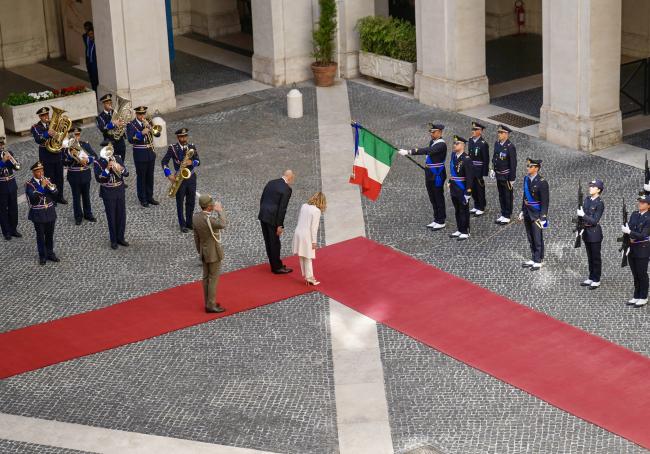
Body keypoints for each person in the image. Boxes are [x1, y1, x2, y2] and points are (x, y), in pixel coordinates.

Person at [398, 123, 447, 230]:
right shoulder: (432, 142)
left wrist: (409, 152)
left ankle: (441, 220)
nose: (431, 134)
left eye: (433, 132)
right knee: (432, 197)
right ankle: (436, 219)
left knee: (438, 197)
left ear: (439, 132)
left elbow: (427, 151)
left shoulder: (441, 145)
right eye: (431, 132)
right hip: (429, 173)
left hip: (437, 174)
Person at [192, 194, 227, 313]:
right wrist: (220, 211)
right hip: (213, 253)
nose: (213, 204)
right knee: (213, 279)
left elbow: (196, 237)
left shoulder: (196, 217)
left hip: (204, 251)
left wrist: (200, 251)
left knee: (206, 278)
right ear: (208, 207)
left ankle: (208, 301)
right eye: (211, 203)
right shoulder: (209, 220)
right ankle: (211, 305)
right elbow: (222, 224)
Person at [162, 128, 200, 233]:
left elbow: (198, 161)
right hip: (180, 178)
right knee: (180, 202)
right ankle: (182, 224)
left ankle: (189, 222)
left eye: (185, 136)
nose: (184, 138)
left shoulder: (191, 147)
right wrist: (169, 175)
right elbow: (164, 162)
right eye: (181, 137)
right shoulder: (173, 148)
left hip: (191, 177)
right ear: (178, 137)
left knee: (191, 201)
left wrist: (191, 162)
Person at [93, 143, 129, 250]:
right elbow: (99, 178)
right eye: (107, 148)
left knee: (121, 215)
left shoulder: (117, 158)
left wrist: (120, 168)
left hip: (119, 189)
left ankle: (120, 238)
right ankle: (113, 240)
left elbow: (126, 173)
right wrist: (107, 169)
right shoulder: (98, 162)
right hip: (108, 191)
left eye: (111, 148)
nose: (110, 151)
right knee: (111, 216)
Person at [258, 170, 294, 274]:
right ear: (290, 177)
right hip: (273, 218)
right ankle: (277, 267)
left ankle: (273, 264)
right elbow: (282, 208)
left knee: (268, 241)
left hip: (263, 215)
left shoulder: (271, 182)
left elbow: (262, 199)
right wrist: (280, 225)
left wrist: (263, 212)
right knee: (274, 242)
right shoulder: (287, 189)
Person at [31, 107, 67, 204]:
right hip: (46, 155)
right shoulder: (35, 127)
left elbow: (62, 135)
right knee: (49, 177)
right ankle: (52, 198)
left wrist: (61, 130)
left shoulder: (53, 124)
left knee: (59, 176)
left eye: (47, 114)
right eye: (43, 115)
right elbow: (38, 139)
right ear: (40, 117)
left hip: (57, 153)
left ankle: (60, 196)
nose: (46, 117)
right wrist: (47, 133)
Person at [25, 161, 59, 265]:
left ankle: (50, 253)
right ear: (34, 172)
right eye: (39, 172)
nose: (41, 173)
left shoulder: (47, 180)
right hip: (38, 214)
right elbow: (33, 197)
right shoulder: (29, 184)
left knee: (50, 235)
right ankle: (42, 256)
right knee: (40, 236)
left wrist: (51, 187)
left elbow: (55, 194)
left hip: (49, 212)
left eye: (42, 171)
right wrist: (42, 186)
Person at [519, 158, 549, 271]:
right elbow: (525, 197)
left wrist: (543, 217)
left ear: (536, 168)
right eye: (527, 166)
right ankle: (533, 257)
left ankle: (539, 260)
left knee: (537, 237)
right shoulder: (526, 179)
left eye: (530, 166)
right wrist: (522, 210)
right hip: (527, 211)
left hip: (536, 213)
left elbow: (545, 202)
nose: (528, 168)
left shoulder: (542, 182)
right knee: (530, 236)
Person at [63, 127, 97, 225]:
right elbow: (63, 162)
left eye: (77, 134)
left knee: (86, 196)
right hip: (74, 175)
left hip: (85, 174)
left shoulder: (84, 144)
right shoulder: (66, 148)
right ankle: (78, 217)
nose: (76, 137)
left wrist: (87, 160)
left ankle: (88, 214)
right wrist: (71, 157)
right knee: (76, 197)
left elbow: (95, 156)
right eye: (74, 135)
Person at [126, 106, 159, 207]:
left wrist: (149, 127)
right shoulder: (131, 124)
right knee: (141, 177)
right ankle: (143, 198)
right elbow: (131, 139)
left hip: (150, 153)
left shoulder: (148, 121)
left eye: (143, 114)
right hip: (140, 154)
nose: (142, 116)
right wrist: (141, 133)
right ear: (136, 114)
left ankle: (150, 196)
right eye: (140, 114)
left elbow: (157, 134)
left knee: (150, 176)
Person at [292, 192, 326, 285]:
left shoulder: (304, 206)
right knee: (308, 257)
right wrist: (314, 242)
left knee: (302, 255)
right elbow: (313, 228)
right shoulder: (316, 211)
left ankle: (306, 276)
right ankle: (310, 278)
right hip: (306, 236)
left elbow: (300, 219)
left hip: (298, 232)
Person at [623, 195, 650, 308]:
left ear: (648, 205)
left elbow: (643, 235)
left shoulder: (649, 218)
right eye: (639, 201)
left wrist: (630, 232)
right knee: (635, 273)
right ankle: (636, 295)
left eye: (643, 202)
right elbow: (630, 226)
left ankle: (643, 297)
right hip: (632, 247)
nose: (640, 203)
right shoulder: (634, 214)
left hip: (642, 249)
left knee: (641, 273)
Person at [577, 179, 604, 289]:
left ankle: (596, 279)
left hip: (594, 233)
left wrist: (583, 215)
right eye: (590, 186)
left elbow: (595, 221)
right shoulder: (587, 200)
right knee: (589, 256)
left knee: (595, 257)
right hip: (586, 232)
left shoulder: (600, 203)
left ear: (598, 190)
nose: (590, 188)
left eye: (593, 187)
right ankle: (591, 277)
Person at [448, 136, 476, 241]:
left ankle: (465, 231)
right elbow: (452, 172)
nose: (454, 145)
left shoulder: (467, 159)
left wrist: (468, 192)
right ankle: (459, 229)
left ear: (463, 145)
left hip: (462, 188)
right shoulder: (453, 155)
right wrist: (449, 181)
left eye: (457, 143)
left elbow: (470, 177)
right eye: (454, 143)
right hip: (454, 187)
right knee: (457, 210)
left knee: (464, 210)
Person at [491, 124, 516, 225]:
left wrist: (512, 178)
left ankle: (507, 215)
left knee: (507, 196)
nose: (499, 134)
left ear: (506, 134)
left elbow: (513, 163)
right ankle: (503, 213)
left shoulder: (510, 147)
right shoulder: (497, 144)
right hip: (498, 174)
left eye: (501, 133)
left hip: (506, 176)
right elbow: (495, 157)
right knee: (501, 195)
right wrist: (493, 169)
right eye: (498, 132)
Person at [0, 136, 21, 241]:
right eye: (0, 145)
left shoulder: (8, 153)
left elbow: (17, 167)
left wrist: (13, 160)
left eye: (2, 144)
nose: (1, 146)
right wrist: (3, 161)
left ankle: (13, 229)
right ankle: (6, 231)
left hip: (12, 185)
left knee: (13, 208)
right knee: (3, 210)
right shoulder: (3, 157)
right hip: (2, 187)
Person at [96, 93, 127, 163]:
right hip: (110, 141)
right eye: (107, 103)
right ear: (104, 104)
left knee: (122, 160)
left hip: (120, 140)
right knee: (112, 162)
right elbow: (103, 128)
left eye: (110, 102)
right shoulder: (100, 117)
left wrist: (122, 124)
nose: (110, 104)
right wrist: (113, 124)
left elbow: (122, 124)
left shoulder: (116, 113)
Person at [468, 121, 489, 216]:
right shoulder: (471, 141)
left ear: (480, 131)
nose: (473, 131)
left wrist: (484, 173)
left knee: (480, 189)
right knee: (473, 189)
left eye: (475, 129)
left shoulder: (483, 144)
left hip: (479, 170)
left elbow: (486, 159)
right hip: (471, 170)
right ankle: (476, 205)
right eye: (473, 129)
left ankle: (481, 207)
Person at [83, 22, 98, 94]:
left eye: (92, 34)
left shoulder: (97, 42)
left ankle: (97, 91)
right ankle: (94, 91)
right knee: (92, 78)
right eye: (86, 29)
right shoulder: (86, 38)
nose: (90, 36)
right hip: (89, 62)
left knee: (96, 79)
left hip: (95, 63)